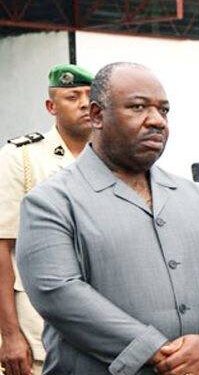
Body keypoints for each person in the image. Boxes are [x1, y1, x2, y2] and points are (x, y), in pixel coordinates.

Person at [15, 62, 199, 375]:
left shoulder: (198, 198)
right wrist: (160, 352)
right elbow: (58, 293)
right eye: (138, 107)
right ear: (97, 115)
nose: (156, 121)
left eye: (164, 110)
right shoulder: (51, 202)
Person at [0, 64, 93, 375]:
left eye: (90, 96)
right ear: (51, 106)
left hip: (102, 335)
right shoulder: (22, 157)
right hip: (38, 331)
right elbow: (2, 247)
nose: (84, 103)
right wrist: (10, 335)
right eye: (72, 96)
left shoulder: (112, 159)